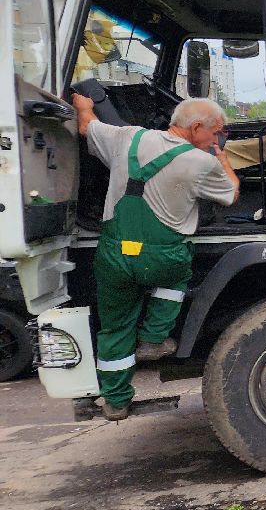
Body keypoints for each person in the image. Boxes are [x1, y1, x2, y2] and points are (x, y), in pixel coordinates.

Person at [71, 94, 240, 421]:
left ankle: (116, 402)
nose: (217, 139)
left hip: (115, 255)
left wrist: (83, 104)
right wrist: (222, 157)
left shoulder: (126, 136)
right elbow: (231, 193)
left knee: (115, 328)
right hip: (161, 257)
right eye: (216, 133)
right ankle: (152, 339)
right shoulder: (201, 162)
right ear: (195, 128)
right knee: (177, 274)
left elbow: (87, 127)